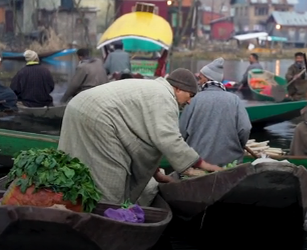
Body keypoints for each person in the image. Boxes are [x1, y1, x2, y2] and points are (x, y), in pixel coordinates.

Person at [58, 68, 223, 204]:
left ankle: (74, 207)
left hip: (79, 106)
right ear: (178, 88)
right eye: (190, 96)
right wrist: (200, 165)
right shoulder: (165, 97)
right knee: (112, 181)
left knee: (78, 167)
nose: (189, 102)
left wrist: (156, 173)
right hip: (98, 117)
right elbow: (168, 138)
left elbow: (143, 132)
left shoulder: (155, 90)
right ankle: (107, 221)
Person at [179, 58, 252, 166]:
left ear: (207, 79)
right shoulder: (235, 100)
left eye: (200, 78)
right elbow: (245, 129)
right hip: (231, 163)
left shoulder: (193, 100)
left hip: (197, 163)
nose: (199, 82)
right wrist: (238, 146)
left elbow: (181, 132)